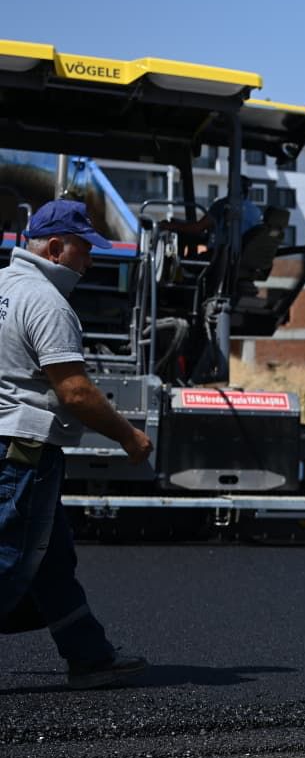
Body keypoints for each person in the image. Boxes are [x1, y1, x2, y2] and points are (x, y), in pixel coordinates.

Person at [0, 199, 154, 688]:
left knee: (49, 557)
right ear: (54, 247)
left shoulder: (3, 287)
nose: (89, 262)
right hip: (24, 452)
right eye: (84, 250)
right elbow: (75, 391)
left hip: (9, 446)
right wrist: (128, 436)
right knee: (8, 561)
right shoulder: (46, 302)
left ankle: (89, 656)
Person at [162, 177, 264, 252]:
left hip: (219, 258)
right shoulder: (256, 212)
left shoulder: (223, 205)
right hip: (242, 258)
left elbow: (197, 228)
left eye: (229, 186)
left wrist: (168, 226)